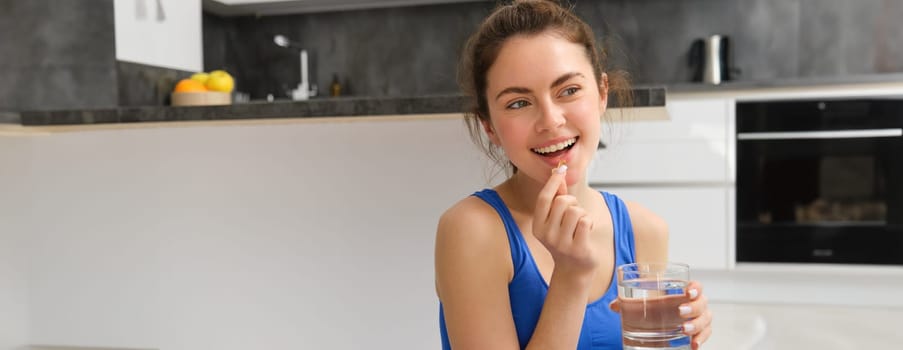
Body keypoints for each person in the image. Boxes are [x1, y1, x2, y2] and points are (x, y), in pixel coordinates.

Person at [434, 1, 713, 349]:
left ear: (602, 93)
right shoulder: (472, 231)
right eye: (519, 103)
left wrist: (685, 335)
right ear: (489, 126)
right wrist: (571, 275)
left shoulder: (645, 231)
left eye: (568, 90)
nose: (550, 120)